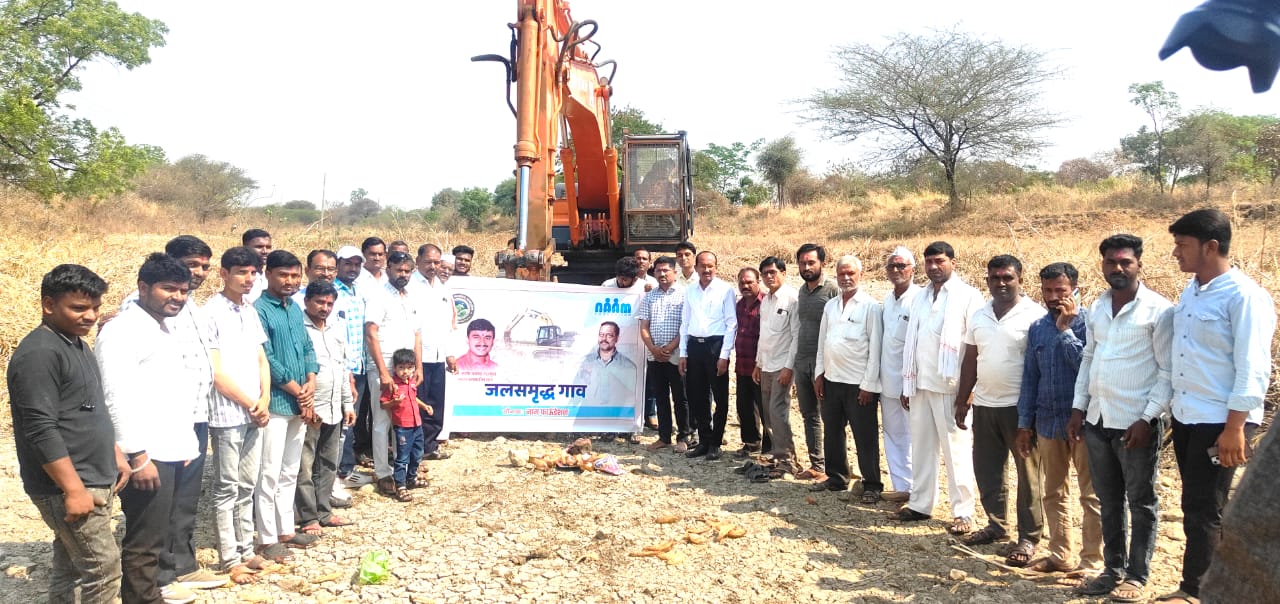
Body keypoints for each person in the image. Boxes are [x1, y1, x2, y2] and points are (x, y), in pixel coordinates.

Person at [1159, 209, 1275, 604]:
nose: (1175, 252)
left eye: (1182, 245)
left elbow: (1253, 368)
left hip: (1221, 421)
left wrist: (1235, 428)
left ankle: (1198, 591)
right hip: (1188, 415)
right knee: (1195, 503)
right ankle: (1208, 585)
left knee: (1207, 508)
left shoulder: (1245, 297)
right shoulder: (1192, 290)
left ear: (1210, 247)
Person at [10, 264, 126, 604]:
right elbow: (40, 428)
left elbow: (90, 409)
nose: (90, 316)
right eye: (79, 308)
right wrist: (73, 490)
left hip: (91, 475)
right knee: (103, 569)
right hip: (68, 484)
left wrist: (114, 454)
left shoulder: (76, 344)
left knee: (71, 567)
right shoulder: (40, 353)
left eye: (95, 308)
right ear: (49, 304)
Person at [1067, 234, 1173, 603]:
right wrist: (1079, 407)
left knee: (1140, 501)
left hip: (1136, 425)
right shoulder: (1097, 307)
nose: (1118, 268)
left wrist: (1148, 418)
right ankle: (1112, 569)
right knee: (1109, 500)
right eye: (1111, 262)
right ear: (1102, 265)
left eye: (1125, 262)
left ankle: (1137, 576)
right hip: (1098, 420)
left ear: (1139, 264)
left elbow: (1167, 371)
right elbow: (1089, 358)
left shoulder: (1159, 310)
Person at [97, 253, 202, 604]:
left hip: (170, 449)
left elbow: (168, 394)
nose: (178, 297)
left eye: (183, 290)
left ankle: (150, 594)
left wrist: (184, 446)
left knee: (159, 533)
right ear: (143, 288)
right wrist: (138, 456)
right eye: (168, 288)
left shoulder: (162, 327)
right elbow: (115, 397)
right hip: (146, 453)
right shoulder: (122, 331)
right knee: (144, 539)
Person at [951, 255, 1046, 567]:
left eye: (1008, 278)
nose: (1001, 283)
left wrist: (1033, 414)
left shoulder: (1035, 315)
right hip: (985, 404)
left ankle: (1028, 537)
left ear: (1020, 279)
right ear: (987, 280)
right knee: (988, 469)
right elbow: (971, 359)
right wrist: (963, 398)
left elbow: (1041, 365)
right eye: (995, 278)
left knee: (1028, 476)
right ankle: (996, 525)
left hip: (1020, 409)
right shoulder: (980, 315)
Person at [1015, 262, 1102, 575]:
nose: (1053, 297)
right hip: (1048, 422)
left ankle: (1092, 561)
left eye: (1060, 290)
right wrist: (1024, 424)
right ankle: (1060, 555)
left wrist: (1066, 331)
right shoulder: (1038, 327)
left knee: (1091, 495)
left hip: (1084, 423)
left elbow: (1089, 370)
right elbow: (1030, 378)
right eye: (1048, 290)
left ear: (1075, 289)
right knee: (1053, 492)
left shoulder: (1091, 324)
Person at [893, 241, 984, 537]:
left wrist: (968, 391)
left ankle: (963, 512)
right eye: (929, 261)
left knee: (956, 452)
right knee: (921, 448)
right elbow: (913, 341)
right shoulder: (920, 296)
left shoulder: (968, 296)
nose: (933, 266)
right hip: (920, 384)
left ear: (952, 262)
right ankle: (921, 504)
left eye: (939, 261)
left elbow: (976, 345)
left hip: (951, 387)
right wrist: (907, 384)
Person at [157, 236, 224, 593]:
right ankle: (159, 576)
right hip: (167, 419)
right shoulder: (147, 307)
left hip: (198, 415)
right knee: (161, 501)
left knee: (185, 497)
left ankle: (183, 565)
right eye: (191, 264)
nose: (198, 272)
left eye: (204, 266)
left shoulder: (194, 308)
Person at [205, 247, 272, 584]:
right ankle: (229, 558)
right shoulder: (210, 312)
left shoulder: (249, 309)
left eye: (253, 273)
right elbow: (216, 373)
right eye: (241, 272)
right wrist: (250, 402)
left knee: (247, 485)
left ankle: (247, 550)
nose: (248, 279)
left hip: (254, 411)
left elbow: (261, 359)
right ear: (224, 274)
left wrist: (265, 398)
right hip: (228, 413)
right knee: (226, 488)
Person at [253, 250, 321, 563]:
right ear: (268, 274)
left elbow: (307, 347)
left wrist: (311, 380)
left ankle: (285, 530)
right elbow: (266, 357)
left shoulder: (293, 308)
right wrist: (298, 391)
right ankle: (267, 538)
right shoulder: (259, 310)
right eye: (283, 275)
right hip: (277, 403)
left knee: (290, 469)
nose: (290, 281)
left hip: (299, 401)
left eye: (295, 276)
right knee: (268, 471)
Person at [812, 254, 883, 499]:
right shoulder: (831, 306)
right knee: (832, 431)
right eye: (841, 273)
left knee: (865, 436)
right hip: (832, 380)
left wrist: (869, 385)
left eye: (850, 273)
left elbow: (876, 349)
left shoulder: (870, 306)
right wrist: (819, 374)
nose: (846, 278)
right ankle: (836, 477)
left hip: (858, 384)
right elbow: (823, 342)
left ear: (861, 275)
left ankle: (872, 484)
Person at [295, 281, 356, 537]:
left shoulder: (336, 328)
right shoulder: (298, 328)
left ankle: (324, 511)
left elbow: (341, 369)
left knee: (328, 462)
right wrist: (305, 403)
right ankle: (308, 516)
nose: (325, 308)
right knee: (304, 465)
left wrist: (347, 403)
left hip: (333, 407)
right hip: (310, 408)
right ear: (307, 301)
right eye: (320, 302)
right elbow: (298, 369)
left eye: (330, 303)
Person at [364, 251, 423, 498]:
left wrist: (418, 367)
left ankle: (404, 471)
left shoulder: (411, 297)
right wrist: (383, 373)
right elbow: (371, 333)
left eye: (407, 271)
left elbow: (417, 334)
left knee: (404, 421)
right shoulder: (378, 296)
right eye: (399, 270)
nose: (403, 274)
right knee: (382, 422)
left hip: (406, 370)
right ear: (388, 269)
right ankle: (383, 472)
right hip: (385, 368)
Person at [678, 251, 737, 460]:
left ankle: (715, 442)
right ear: (696, 267)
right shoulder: (690, 291)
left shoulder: (725, 290)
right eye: (702, 266)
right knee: (697, 395)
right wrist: (683, 353)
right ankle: (704, 440)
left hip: (715, 346)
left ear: (716, 267)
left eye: (710, 266)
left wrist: (724, 355)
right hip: (695, 346)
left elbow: (731, 324)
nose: (706, 269)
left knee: (720, 397)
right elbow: (685, 322)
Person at [879, 246, 921, 502]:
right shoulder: (887, 300)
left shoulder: (919, 299)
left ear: (912, 270)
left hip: (910, 384)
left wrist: (910, 383)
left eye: (901, 266)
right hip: (887, 381)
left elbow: (919, 346)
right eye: (892, 266)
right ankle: (902, 487)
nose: (896, 270)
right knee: (894, 435)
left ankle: (919, 492)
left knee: (916, 437)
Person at [792, 242, 837, 481]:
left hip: (825, 364)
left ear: (823, 263)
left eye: (811, 262)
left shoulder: (832, 290)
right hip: (802, 361)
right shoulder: (801, 291)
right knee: (809, 415)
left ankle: (835, 468)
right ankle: (817, 465)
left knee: (830, 417)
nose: (807, 267)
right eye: (803, 263)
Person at [638, 256, 692, 452]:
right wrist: (653, 348)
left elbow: (687, 325)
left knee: (681, 397)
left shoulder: (685, 295)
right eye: (658, 271)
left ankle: (684, 436)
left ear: (674, 273)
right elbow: (644, 326)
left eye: (665, 270)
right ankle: (664, 436)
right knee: (660, 396)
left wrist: (671, 346)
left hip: (676, 355)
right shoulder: (649, 296)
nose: (661, 274)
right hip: (655, 356)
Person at [753, 256, 802, 474]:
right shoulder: (766, 300)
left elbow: (796, 336)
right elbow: (763, 334)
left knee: (778, 411)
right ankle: (777, 453)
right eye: (765, 273)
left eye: (773, 272)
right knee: (768, 412)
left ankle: (787, 460)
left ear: (783, 273)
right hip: (766, 364)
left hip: (783, 364)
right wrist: (758, 363)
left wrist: (789, 367)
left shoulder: (792, 299)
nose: (769, 277)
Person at [411, 243, 456, 462]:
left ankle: (430, 446)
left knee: (436, 404)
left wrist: (449, 354)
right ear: (418, 261)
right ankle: (414, 451)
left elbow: (447, 324)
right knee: (417, 405)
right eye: (428, 262)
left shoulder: (441, 287)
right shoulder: (411, 286)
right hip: (418, 357)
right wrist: (415, 362)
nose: (433, 266)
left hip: (438, 356)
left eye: (436, 262)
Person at [333, 246, 372, 499]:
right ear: (338, 264)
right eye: (348, 263)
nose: (353, 268)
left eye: (357, 264)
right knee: (341, 422)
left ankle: (346, 468)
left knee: (352, 419)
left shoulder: (359, 290)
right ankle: (339, 472)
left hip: (360, 366)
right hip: (343, 368)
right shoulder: (332, 292)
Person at [382, 348, 430, 502]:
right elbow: (383, 404)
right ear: (395, 368)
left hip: (417, 424)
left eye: (409, 368)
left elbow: (413, 398)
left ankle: (411, 478)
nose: (405, 371)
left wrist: (425, 406)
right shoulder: (393, 385)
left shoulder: (411, 382)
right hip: (403, 426)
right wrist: (394, 402)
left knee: (417, 454)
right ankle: (400, 486)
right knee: (402, 457)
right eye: (401, 368)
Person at [733, 267, 771, 458]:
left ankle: (770, 448)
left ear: (758, 282)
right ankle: (751, 442)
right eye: (742, 283)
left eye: (749, 282)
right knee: (745, 406)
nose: (745, 286)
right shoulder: (739, 305)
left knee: (765, 407)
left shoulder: (766, 303)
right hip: (742, 364)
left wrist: (760, 363)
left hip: (761, 365)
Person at [575, 321, 639, 407]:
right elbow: (575, 395)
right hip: (589, 411)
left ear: (617, 338)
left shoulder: (628, 366)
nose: (604, 339)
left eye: (609, 335)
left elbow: (633, 397)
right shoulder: (585, 362)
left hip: (616, 413)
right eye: (601, 335)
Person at [242, 228, 272, 302]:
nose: (265, 251)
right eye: (259, 247)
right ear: (245, 248)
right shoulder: (240, 277)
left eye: (268, 247)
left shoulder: (269, 277)